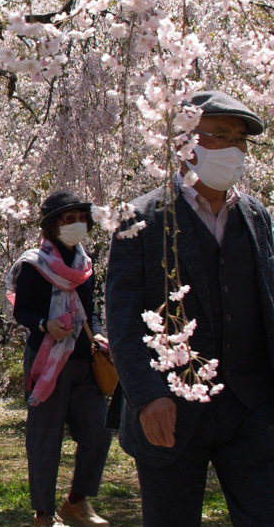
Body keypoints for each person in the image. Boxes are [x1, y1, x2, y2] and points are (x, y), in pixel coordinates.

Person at [105, 90, 274, 527]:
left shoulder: (256, 217)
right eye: (220, 136)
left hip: (252, 406)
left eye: (241, 140)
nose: (235, 149)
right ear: (185, 143)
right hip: (171, 411)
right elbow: (122, 320)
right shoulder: (142, 218)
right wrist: (147, 396)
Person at [8, 190, 111, 527]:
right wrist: (43, 324)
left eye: (82, 218)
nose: (77, 224)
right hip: (47, 361)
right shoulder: (33, 264)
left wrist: (98, 335)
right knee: (45, 439)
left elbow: (90, 310)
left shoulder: (85, 264)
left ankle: (76, 502)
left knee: (98, 433)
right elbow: (21, 309)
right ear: (52, 226)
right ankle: (44, 514)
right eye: (69, 219)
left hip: (84, 362)